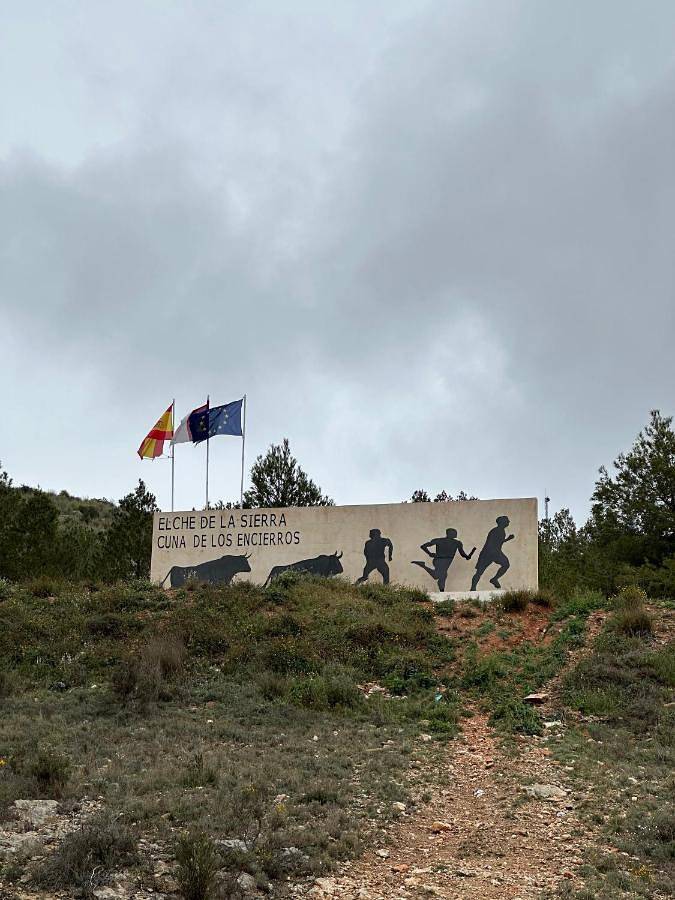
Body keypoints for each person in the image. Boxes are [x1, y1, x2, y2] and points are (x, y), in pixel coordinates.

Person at [411, 528, 475, 591]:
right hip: (439, 561)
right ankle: (442, 591)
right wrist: (429, 553)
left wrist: (467, 556)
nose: (455, 535)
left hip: (445, 561)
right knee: (439, 576)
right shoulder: (453, 542)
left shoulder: (456, 543)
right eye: (454, 533)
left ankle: (442, 591)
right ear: (449, 534)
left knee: (442, 576)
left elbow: (462, 554)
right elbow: (423, 546)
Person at [471, 515, 515, 590]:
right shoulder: (496, 530)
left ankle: (494, 579)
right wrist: (507, 539)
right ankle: (473, 588)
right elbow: (491, 543)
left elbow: (498, 542)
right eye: (507, 520)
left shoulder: (501, 531)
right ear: (502, 522)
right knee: (479, 572)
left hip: (495, 553)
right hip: (488, 553)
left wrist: (507, 539)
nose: (508, 522)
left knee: (506, 564)